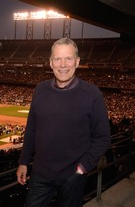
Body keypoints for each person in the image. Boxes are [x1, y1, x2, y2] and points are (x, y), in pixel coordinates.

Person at [16, 37, 111, 207]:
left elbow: (103, 137)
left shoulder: (92, 94)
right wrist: (23, 161)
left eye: (68, 58)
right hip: (40, 173)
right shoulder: (40, 90)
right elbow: (32, 129)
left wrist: (83, 168)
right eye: (58, 58)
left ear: (77, 61)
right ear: (51, 63)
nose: (63, 64)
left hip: (73, 176)